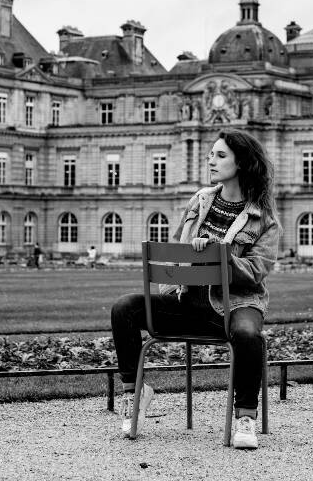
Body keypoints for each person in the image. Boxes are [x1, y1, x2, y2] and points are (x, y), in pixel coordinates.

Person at [111, 129, 280, 449]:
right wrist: (192, 252)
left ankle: (245, 416)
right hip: (187, 301)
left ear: (242, 163)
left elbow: (257, 272)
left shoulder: (265, 219)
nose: (211, 161)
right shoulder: (200, 201)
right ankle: (135, 393)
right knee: (124, 308)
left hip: (233, 308)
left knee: (248, 333)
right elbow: (178, 249)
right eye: (210, 155)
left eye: (220, 155)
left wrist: (222, 256)